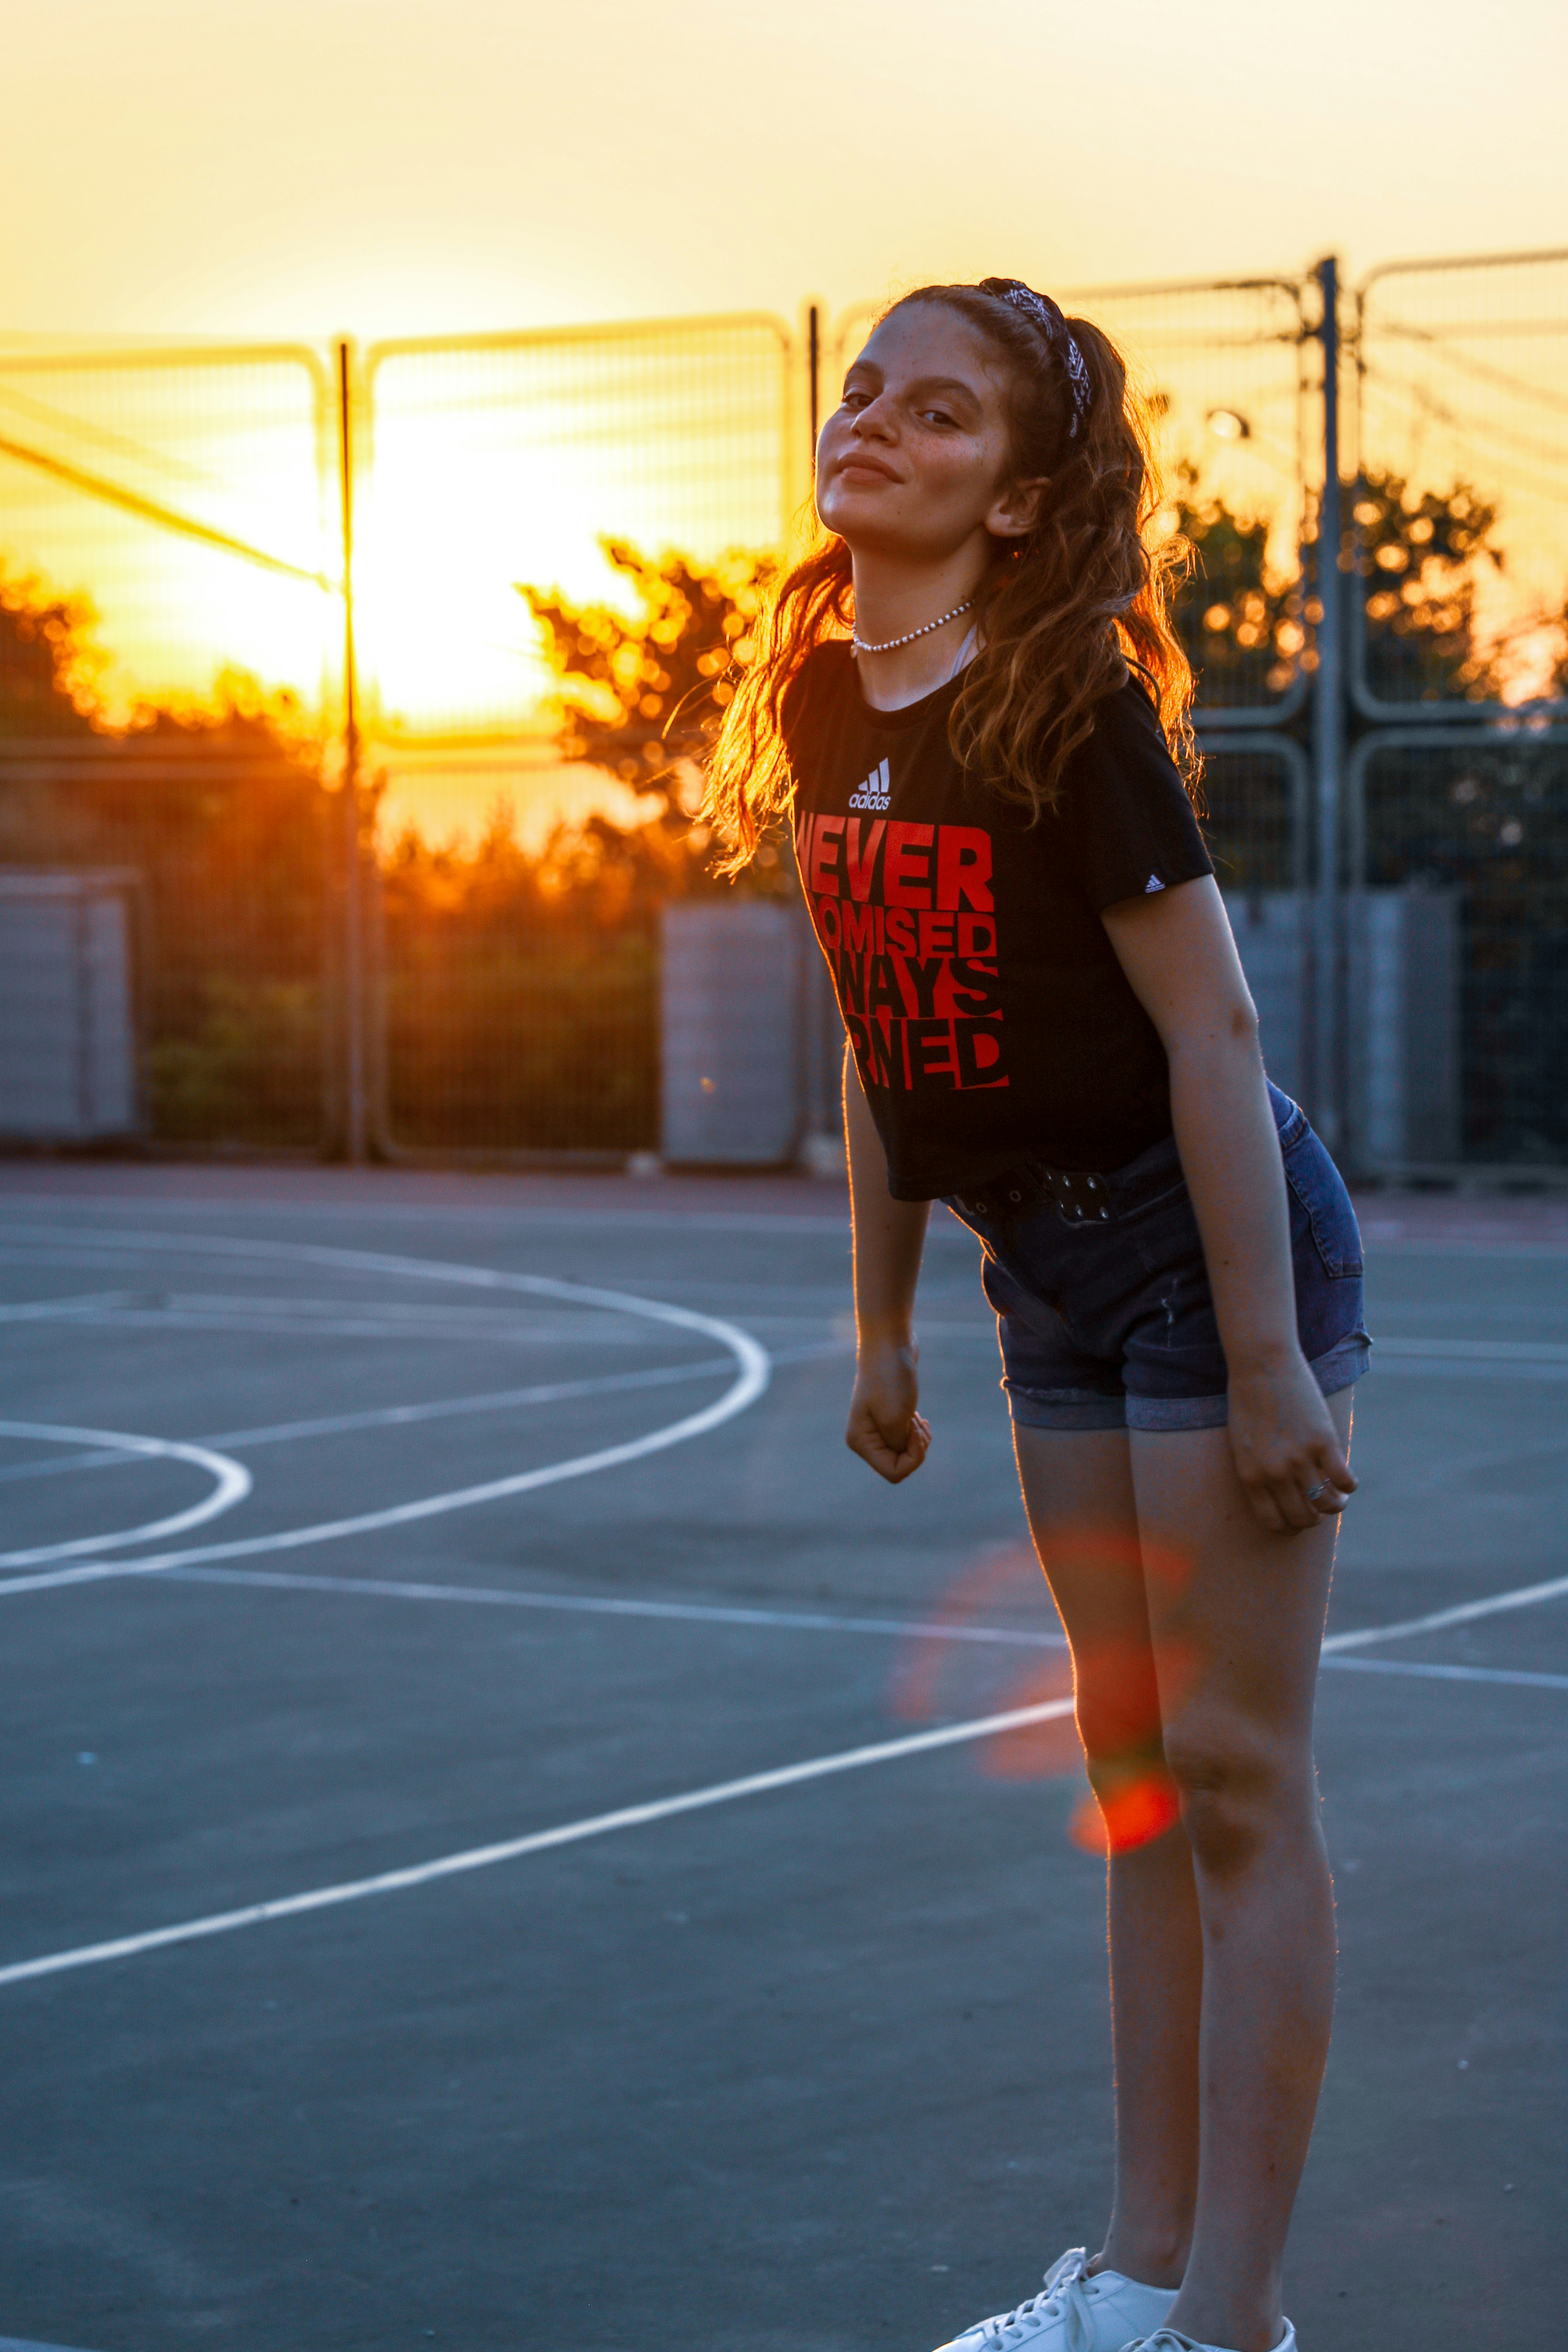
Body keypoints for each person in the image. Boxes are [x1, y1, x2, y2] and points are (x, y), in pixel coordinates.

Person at [703, 279, 1371, 2352]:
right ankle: (1137, 2279)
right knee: (1137, 1775)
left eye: (944, 413)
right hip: (1043, 1279)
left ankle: (1230, 2324)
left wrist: (1262, 1362)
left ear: (1016, 498)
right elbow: (882, 1025)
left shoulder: (1068, 704)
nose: (878, 424)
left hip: (1208, 1252)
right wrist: (881, 1325)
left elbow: (1214, 1035)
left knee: (1236, 1775)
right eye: (866, 393)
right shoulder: (824, 703)